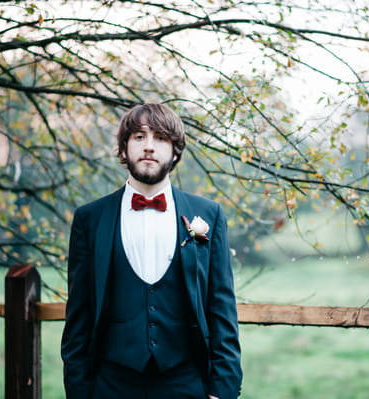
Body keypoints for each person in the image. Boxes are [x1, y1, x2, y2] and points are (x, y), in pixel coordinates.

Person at [61, 103, 243, 399]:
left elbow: (221, 307)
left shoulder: (208, 215)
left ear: (175, 151)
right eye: (139, 137)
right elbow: (78, 316)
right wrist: (80, 391)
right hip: (110, 384)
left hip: (186, 381)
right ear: (124, 148)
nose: (149, 146)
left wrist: (223, 389)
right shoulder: (90, 219)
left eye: (160, 138)